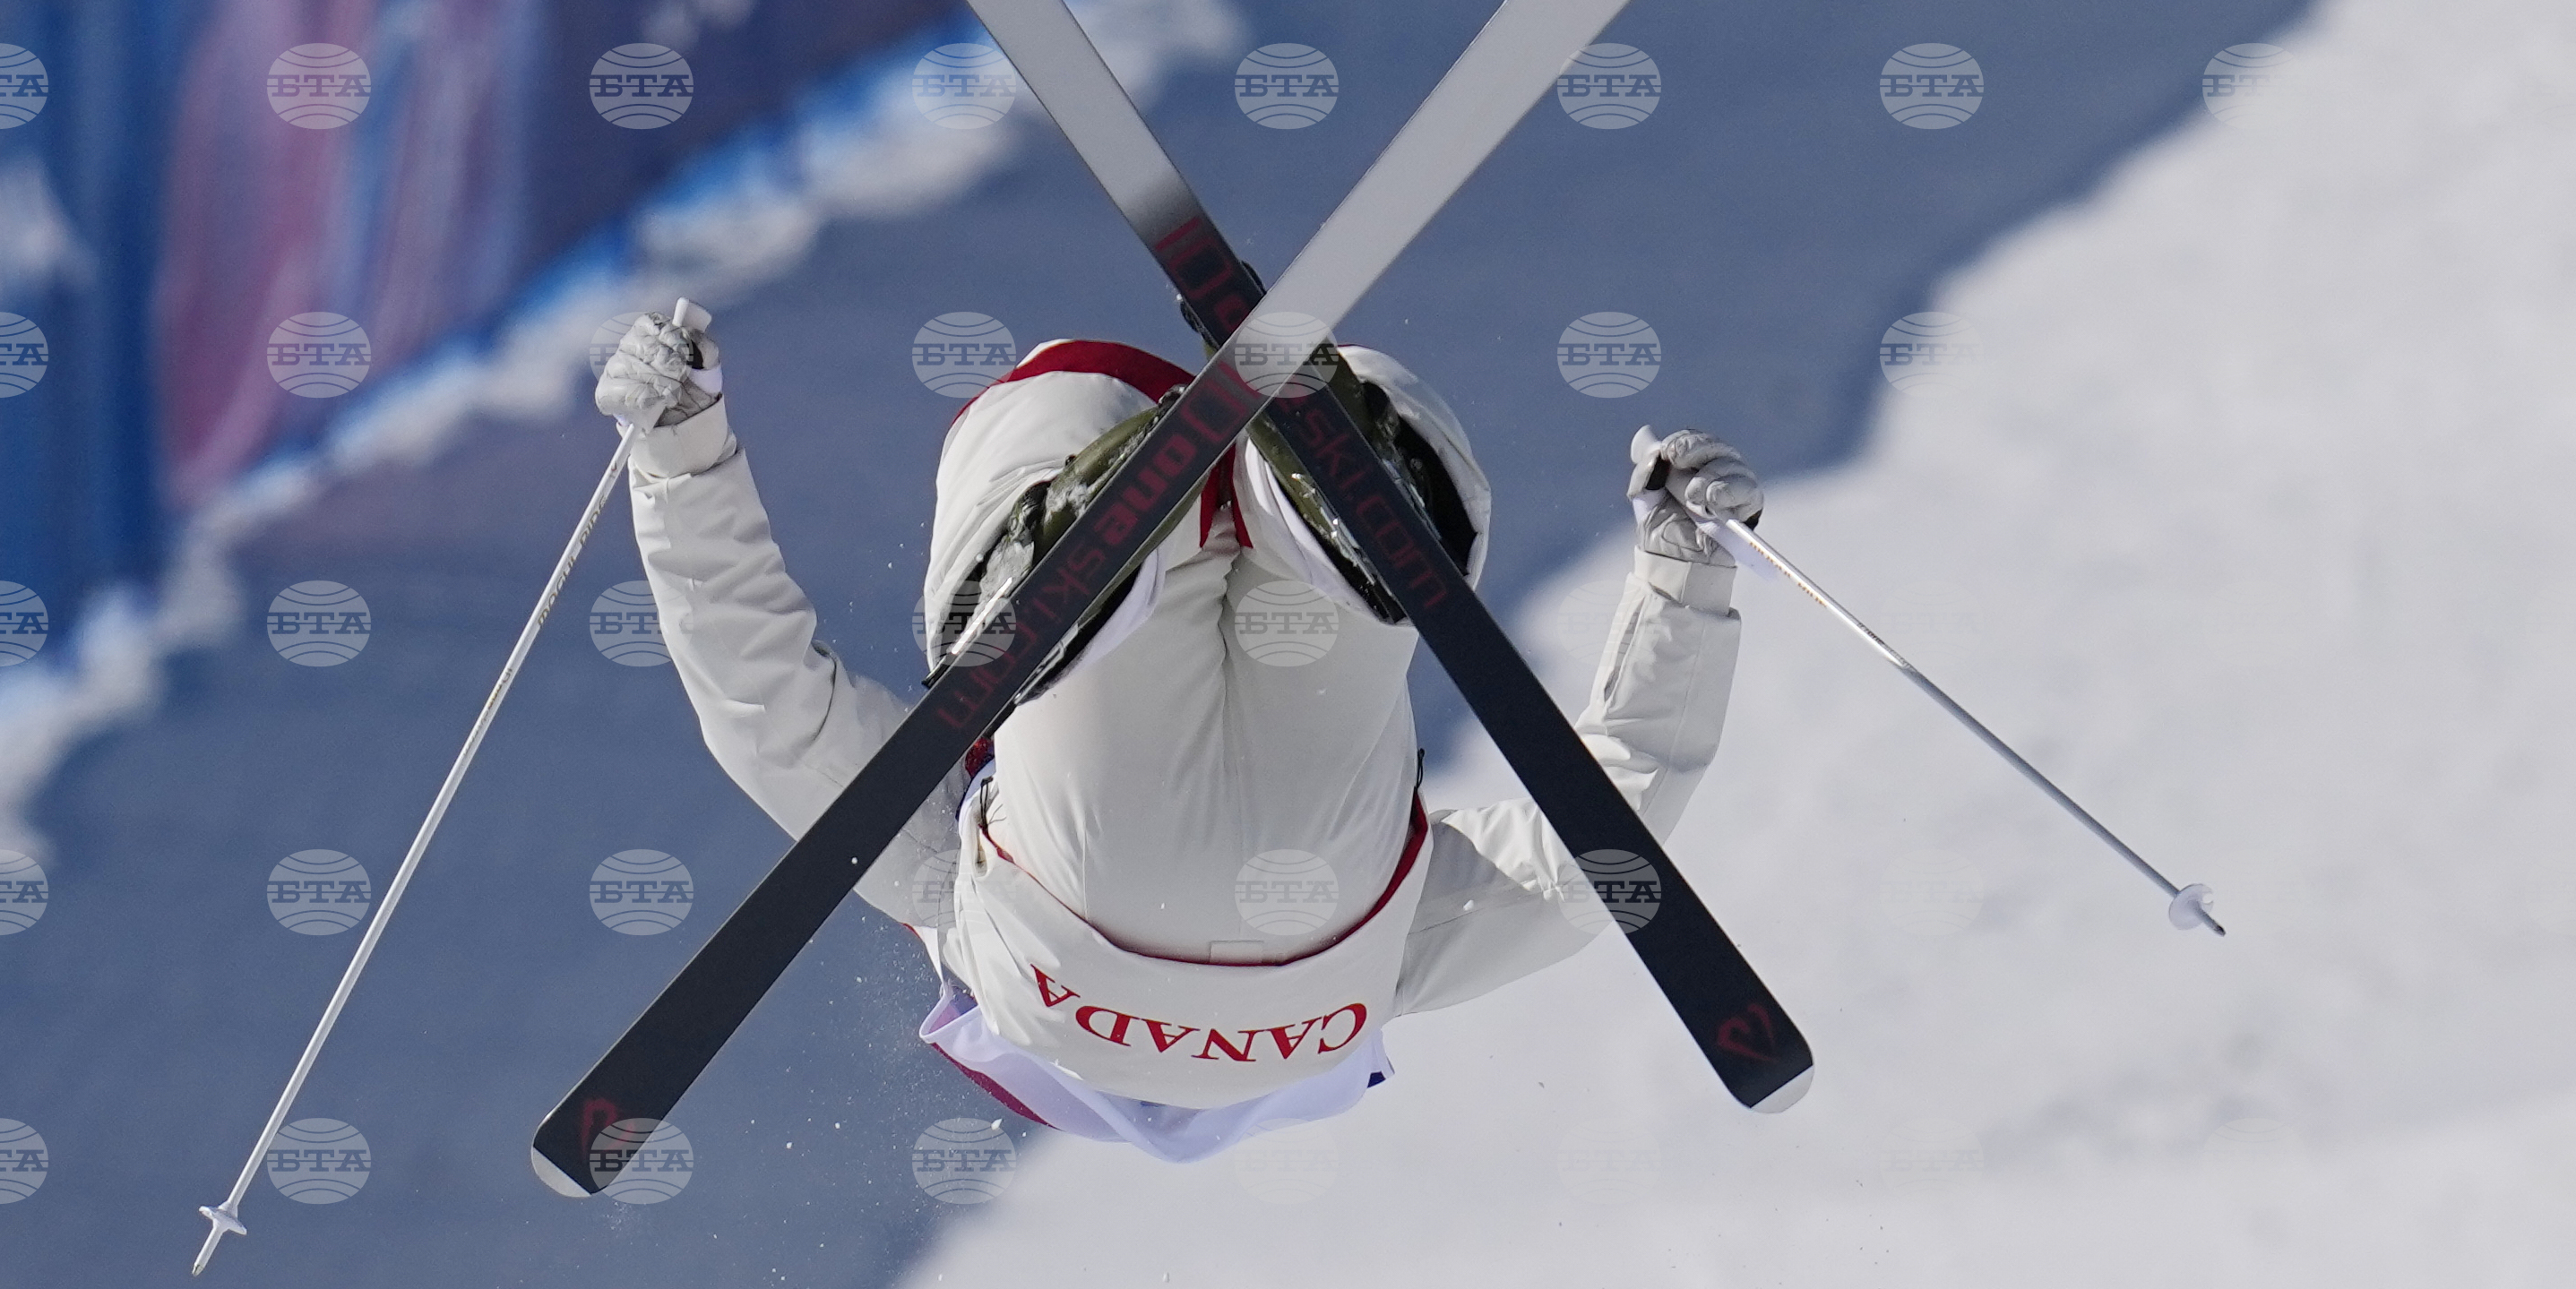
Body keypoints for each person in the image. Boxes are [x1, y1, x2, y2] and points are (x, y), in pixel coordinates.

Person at [591, 305, 1764, 1161]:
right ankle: (1063, 540)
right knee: (1050, 400)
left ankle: (1360, 489)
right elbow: (769, 715)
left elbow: (1602, 846)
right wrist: (678, 450)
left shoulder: (1389, 981)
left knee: (1345, 439)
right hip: (1080, 937)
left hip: (1323, 974)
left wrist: (1686, 572)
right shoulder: (952, 906)